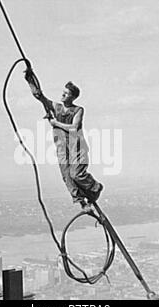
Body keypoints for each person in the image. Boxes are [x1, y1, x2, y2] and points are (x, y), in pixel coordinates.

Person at [25, 71, 103, 212]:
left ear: (72, 97)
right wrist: (30, 79)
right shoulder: (56, 107)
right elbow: (40, 96)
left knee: (76, 174)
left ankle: (95, 187)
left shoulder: (78, 110)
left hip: (76, 147)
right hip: (62, 147)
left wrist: (55, 123)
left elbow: (74, 128)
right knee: (67, 176)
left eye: (66, 93)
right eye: (63, 92)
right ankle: (82, 203)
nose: (63, 95)